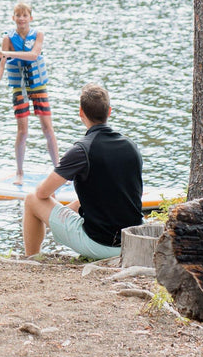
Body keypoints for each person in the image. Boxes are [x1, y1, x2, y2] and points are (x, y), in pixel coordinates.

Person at [22, 84, 143, 260]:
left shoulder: (81, 150)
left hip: (101, 245)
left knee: (32, 199)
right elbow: (115, 192)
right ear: (109, 112)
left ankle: (31, 260)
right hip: (132, 239)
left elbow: (42, 193)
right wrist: (67, 210)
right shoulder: (131, 146)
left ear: (81, 112)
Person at [0, 1, 58, 182]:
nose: (21, 19)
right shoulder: (8, 38)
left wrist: (8, 54)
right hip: (19, 87)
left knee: (47, 128)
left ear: (30, 18)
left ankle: (58, 170)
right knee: (22, 130)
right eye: (18, 15)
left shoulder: (38, 35)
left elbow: (34, 55)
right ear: (13, 18)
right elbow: (2, 63)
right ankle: (20, 172)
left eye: (24, 15)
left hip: (37, 86)